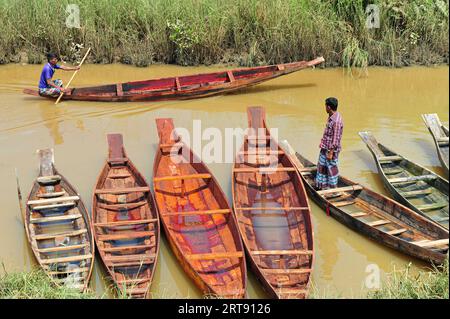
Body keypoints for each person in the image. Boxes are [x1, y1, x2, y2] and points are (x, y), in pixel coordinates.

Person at [315, 97, 344, 191]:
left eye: (325, 106)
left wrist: (331, 152)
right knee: (322, 167)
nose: (325, 108)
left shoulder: (336, 121)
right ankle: (322, 186)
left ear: (328, 107)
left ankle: (333, 190)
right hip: (325, 147)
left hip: (330, 150)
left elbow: (335, 139)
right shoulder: (332, 117)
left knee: (331, 169)